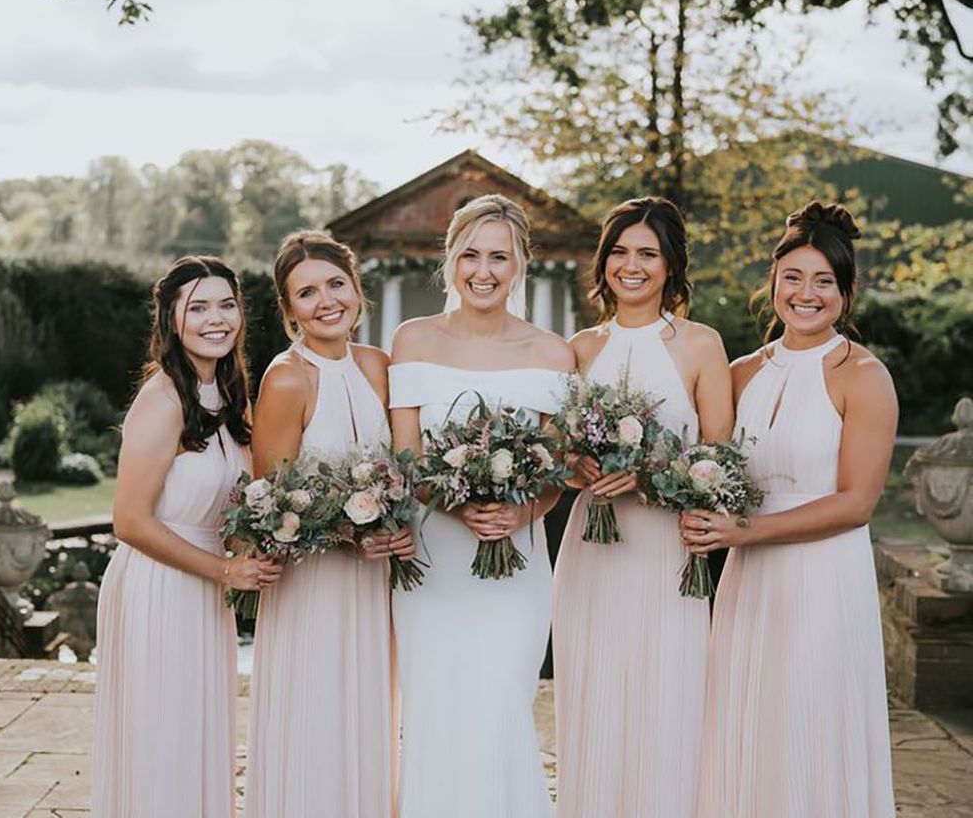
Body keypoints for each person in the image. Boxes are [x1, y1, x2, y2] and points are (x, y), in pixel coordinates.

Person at [683, 201, 897, 818]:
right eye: (794, 278)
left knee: (810, 722)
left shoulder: (863, 375)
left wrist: (744, 530)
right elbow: (710, 467)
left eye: (824, 281)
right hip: (749, 582)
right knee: (747, 717)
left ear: (847, 291)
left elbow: (857, 503)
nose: (807, 294)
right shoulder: (742, 372)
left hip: (823, 579)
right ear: (773, 284)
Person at [389, 193, 575, 818]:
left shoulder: (553, 353)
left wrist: (523, 513)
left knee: (500, 702)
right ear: (450, 261)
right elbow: (408, 461)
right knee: (436, 704)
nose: (484, 270)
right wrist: (454, 502)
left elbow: (556, 472)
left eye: (499, 255)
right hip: (433, 562)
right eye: (470, 254)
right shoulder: (411, 340)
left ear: (521, 263)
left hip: (516, 563)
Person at [552, 197, 733, 818]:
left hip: (666, 552)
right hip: (592, 551)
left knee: (668, 694)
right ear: (604, 263)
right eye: (620, 252)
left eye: (647, 254)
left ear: (670, 264)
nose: (632, 266)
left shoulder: (701, 344)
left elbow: (720, 461)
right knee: (594, 692)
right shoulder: (577, 348)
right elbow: (559, 448)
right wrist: (577, 465)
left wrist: (650, 478)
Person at [93, 256, 278, 818]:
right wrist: (225, 570)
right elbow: (129, 520)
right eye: (198, 307)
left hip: (204, 591)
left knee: (198, 733)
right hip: (158, 587)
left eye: (226, 305)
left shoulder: (227, 396)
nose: (215, 319)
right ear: (172, 320)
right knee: (163, 738)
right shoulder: (164, 398)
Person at [243, 230, 413, 818]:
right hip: (312, 589)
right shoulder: (286, 379)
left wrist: (398, 523)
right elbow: (268, 506)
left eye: (335, 284)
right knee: (313, 712)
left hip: (372, 587)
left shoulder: (379, 366)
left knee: (366, 712)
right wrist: (348, 532)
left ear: (356, 287)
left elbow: (404, 470)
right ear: (289, 310)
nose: (326, 301)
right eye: (307, 293)